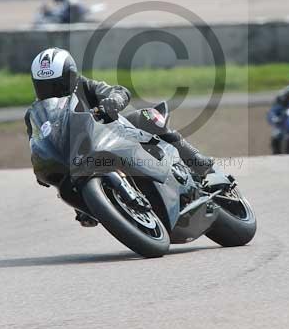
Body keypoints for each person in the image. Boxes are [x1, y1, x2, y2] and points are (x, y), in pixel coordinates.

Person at [25, 47, 214, 227]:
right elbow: (37, 142)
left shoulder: (85, 86)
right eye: (45, 86)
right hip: (80, 156)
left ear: (71, 77)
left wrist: (113, 101)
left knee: (148, 116)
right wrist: (43, 162)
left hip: (116, 134)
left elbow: (120, 91)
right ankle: (92, 208)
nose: (52, 91)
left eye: (58, 84)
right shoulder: (37, 114)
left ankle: (195, 159)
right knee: (63, 186)